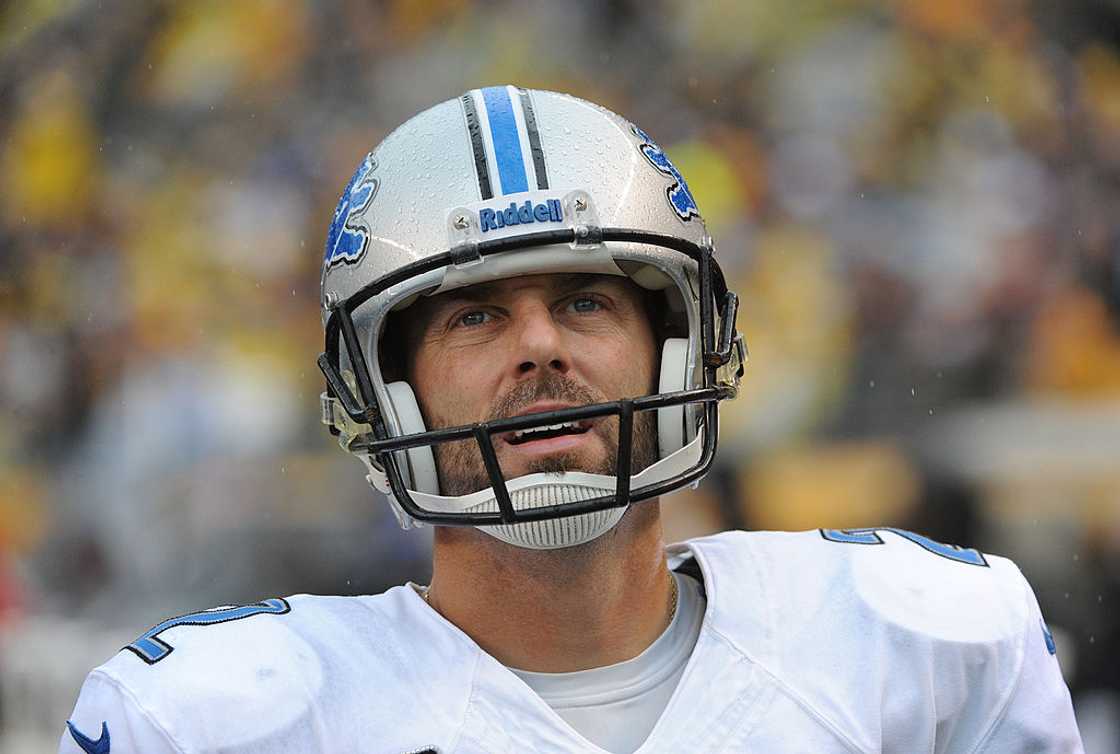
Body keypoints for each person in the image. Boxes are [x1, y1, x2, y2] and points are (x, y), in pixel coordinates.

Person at [62, 87, 1083, 753]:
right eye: (475, 315)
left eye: (586, 302)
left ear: (681, 343)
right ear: (382, 388)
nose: (540, 345)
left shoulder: (926, 648)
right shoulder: (207, 722)